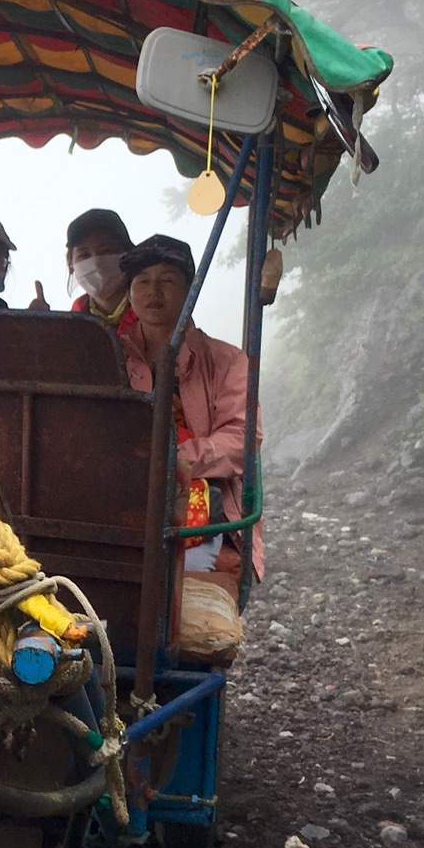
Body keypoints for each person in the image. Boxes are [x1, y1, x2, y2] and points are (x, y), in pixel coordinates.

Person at [116, 234, 263, 592]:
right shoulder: (110, 355)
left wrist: (174, 459)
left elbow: (241, 439)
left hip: (200, 504)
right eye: (142, 281)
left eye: (167, 281)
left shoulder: (227, 361)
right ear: (130, 293)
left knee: (171, 591)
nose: (154, 292)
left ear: (189, 290)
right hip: (122, 496)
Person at [29, 208, 138, 334]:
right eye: (84, 255)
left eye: (106, 251)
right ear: (70, 263)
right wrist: (40, 332)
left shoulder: (152, 309)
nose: (96, 262)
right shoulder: (75, 321)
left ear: (127, 254)